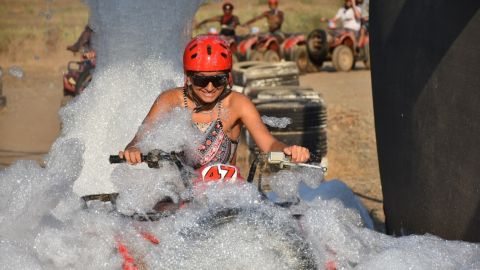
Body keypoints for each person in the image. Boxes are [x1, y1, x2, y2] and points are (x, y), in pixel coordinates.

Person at [119, 35, 310, 170]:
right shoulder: (169, 100)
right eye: (202, 80)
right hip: (180, 198)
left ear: (227, 78)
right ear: (188, 78)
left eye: (218, 80)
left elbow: (269, 144)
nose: (210, 87)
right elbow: (139, 139)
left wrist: (288, 151)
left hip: (224, 196)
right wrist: (134, 150)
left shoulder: (238, 104)